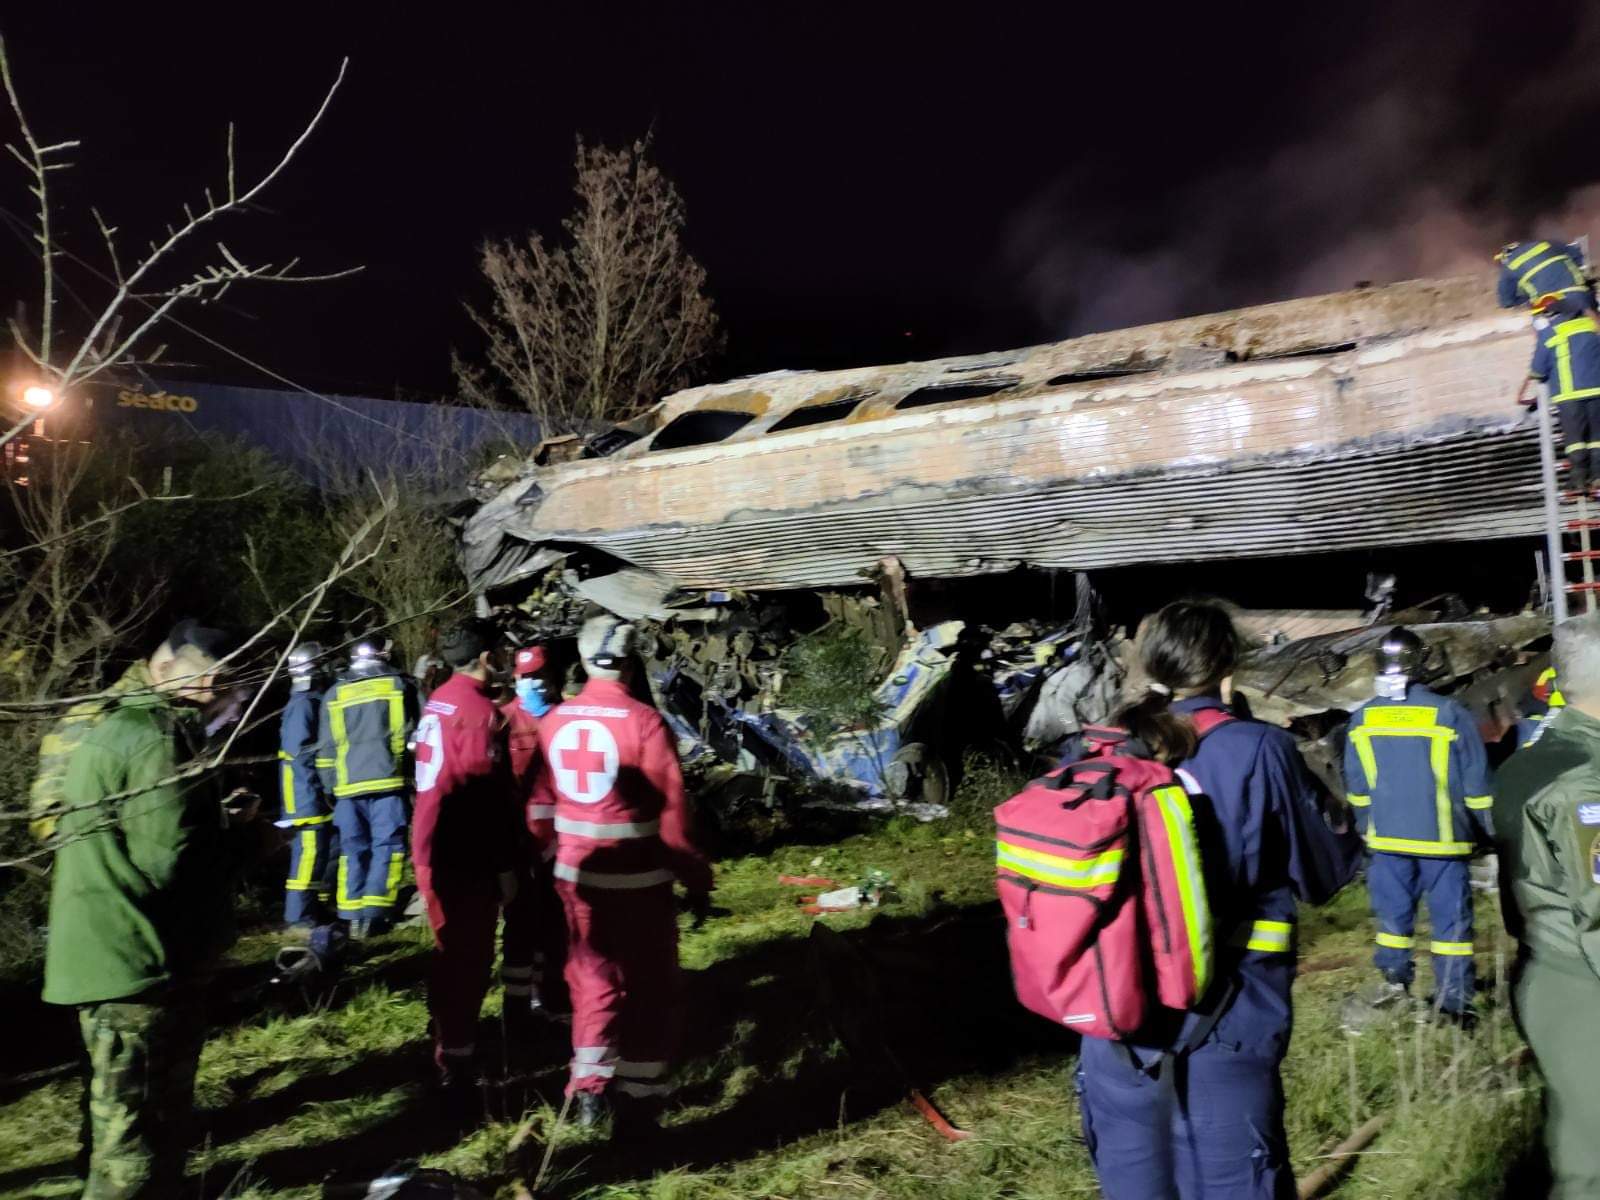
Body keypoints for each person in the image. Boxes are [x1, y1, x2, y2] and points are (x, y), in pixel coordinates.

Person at [1073, 601, 1361, 1200]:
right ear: (1226, 666)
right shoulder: (1257, 748)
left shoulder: (1097, 753)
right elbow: (1326, 872)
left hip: (1114, 1027)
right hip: (1224, 1024)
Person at [42, 619, 257, 1199]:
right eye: (233, 695)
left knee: (129, 1126)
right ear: (207, 682)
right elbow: (167, 862)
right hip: (134, 960)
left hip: (115, 952)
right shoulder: (155, 737)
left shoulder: (118, 726)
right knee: (130, 1149)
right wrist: (236, 840)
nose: (234, 711)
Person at [534, 614, 714, 1133]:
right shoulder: (644, 723)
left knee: (591, 982)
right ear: (632, 664)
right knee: (652, 986)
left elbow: (541, 805)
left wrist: (545, 858)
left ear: (585, 661)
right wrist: (695, 876)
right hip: (639, 879)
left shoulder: (554, 721)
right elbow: (673, 813)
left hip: (576, 876)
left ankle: (587, 1092)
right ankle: (640, 1094)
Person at [1495, 611, 1600, 1196]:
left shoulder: (1528, 760)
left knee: (1579, 1145)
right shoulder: (1588, 783)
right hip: (1587, 988)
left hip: (1545, 969)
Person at [1342, 627, 1494, 1025]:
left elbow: (1357, 787)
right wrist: (1487, 832)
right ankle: (1455, 1004)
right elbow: (1477, 786)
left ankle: (1394, 986)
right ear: (1421, 664)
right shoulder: (1449, 713)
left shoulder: (1361, 718)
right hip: (1443, 842)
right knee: (1450, 926)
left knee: (1393, 921)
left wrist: (1366, 826)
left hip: (1387, 841)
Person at [410, 619, 524, 1094]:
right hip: (465, 854)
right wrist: (503, 866)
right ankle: (455, 1065)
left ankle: (443, 1036)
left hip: (431, 841)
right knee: (469, 959)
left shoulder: (438, 700)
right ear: (485, 658)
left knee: (447, 952)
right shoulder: (478, 713)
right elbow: (483, 799)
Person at [317, 635, 418, 935]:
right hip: (389, 780)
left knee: (353, 849)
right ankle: (375, 913)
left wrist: (329, 786)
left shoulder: (334, 693)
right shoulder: (401, 686)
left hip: (347, 787)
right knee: (387, 846)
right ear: (381, 654)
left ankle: (350, 913)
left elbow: (326, 747)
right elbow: (417, 735)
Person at [499, 644, 570, 1042]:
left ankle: (553, 998)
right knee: (522, 925)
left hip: (565, 839)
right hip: (523, 841)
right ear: (515, 679)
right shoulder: (504, 722)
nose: (534, 684)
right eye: (526, 677)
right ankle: (517, 1006)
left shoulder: (570, 718)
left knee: (559, 925)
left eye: (540, 676)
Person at [1516, 293, 1600, 492]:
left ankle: (1579, 480)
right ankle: (1598, 475)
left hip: (1568, 393)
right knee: (1597, 435)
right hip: (1597, 390)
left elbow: (1538, 370)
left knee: (1575, 440)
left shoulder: (1551, 333)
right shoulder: (1591, 327)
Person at [278, 642, 336, 927]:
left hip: (309, 792)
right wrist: (318, 790)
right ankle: (298, 916)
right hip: (305, 794)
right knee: (308, 855)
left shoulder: (311, 701)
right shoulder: (304, 705)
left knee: (319, 854)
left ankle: (312, 908)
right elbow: (300, 755)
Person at [1496, 240, 1595, 316]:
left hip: (1550, 305)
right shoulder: (1545, 244)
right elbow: (1575, 253)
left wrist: (1526, 298)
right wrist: (1580, 274)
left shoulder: (1509, 266)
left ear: (1505, 257)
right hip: (1580, 293)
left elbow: (1506, 302)